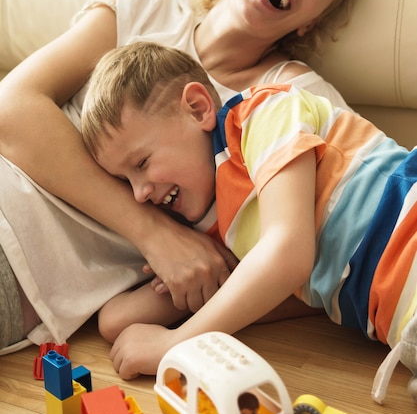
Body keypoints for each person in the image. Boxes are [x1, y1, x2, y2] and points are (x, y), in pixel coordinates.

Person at [0, 0, 367, 353]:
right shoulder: (148, 6)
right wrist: (155, 234)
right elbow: (11, 108)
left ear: (314, 18)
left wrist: (195, 309)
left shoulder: (296, 98)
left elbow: (332, 255)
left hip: (34, 271)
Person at [80, 41, 417, 380]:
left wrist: (176, 343)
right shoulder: (213, 226)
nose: (139, 194)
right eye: (125, 180)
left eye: (141, 163)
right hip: (400, 324)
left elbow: (288, 253)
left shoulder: (263, 113)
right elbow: (118, 322)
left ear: (197, 109)